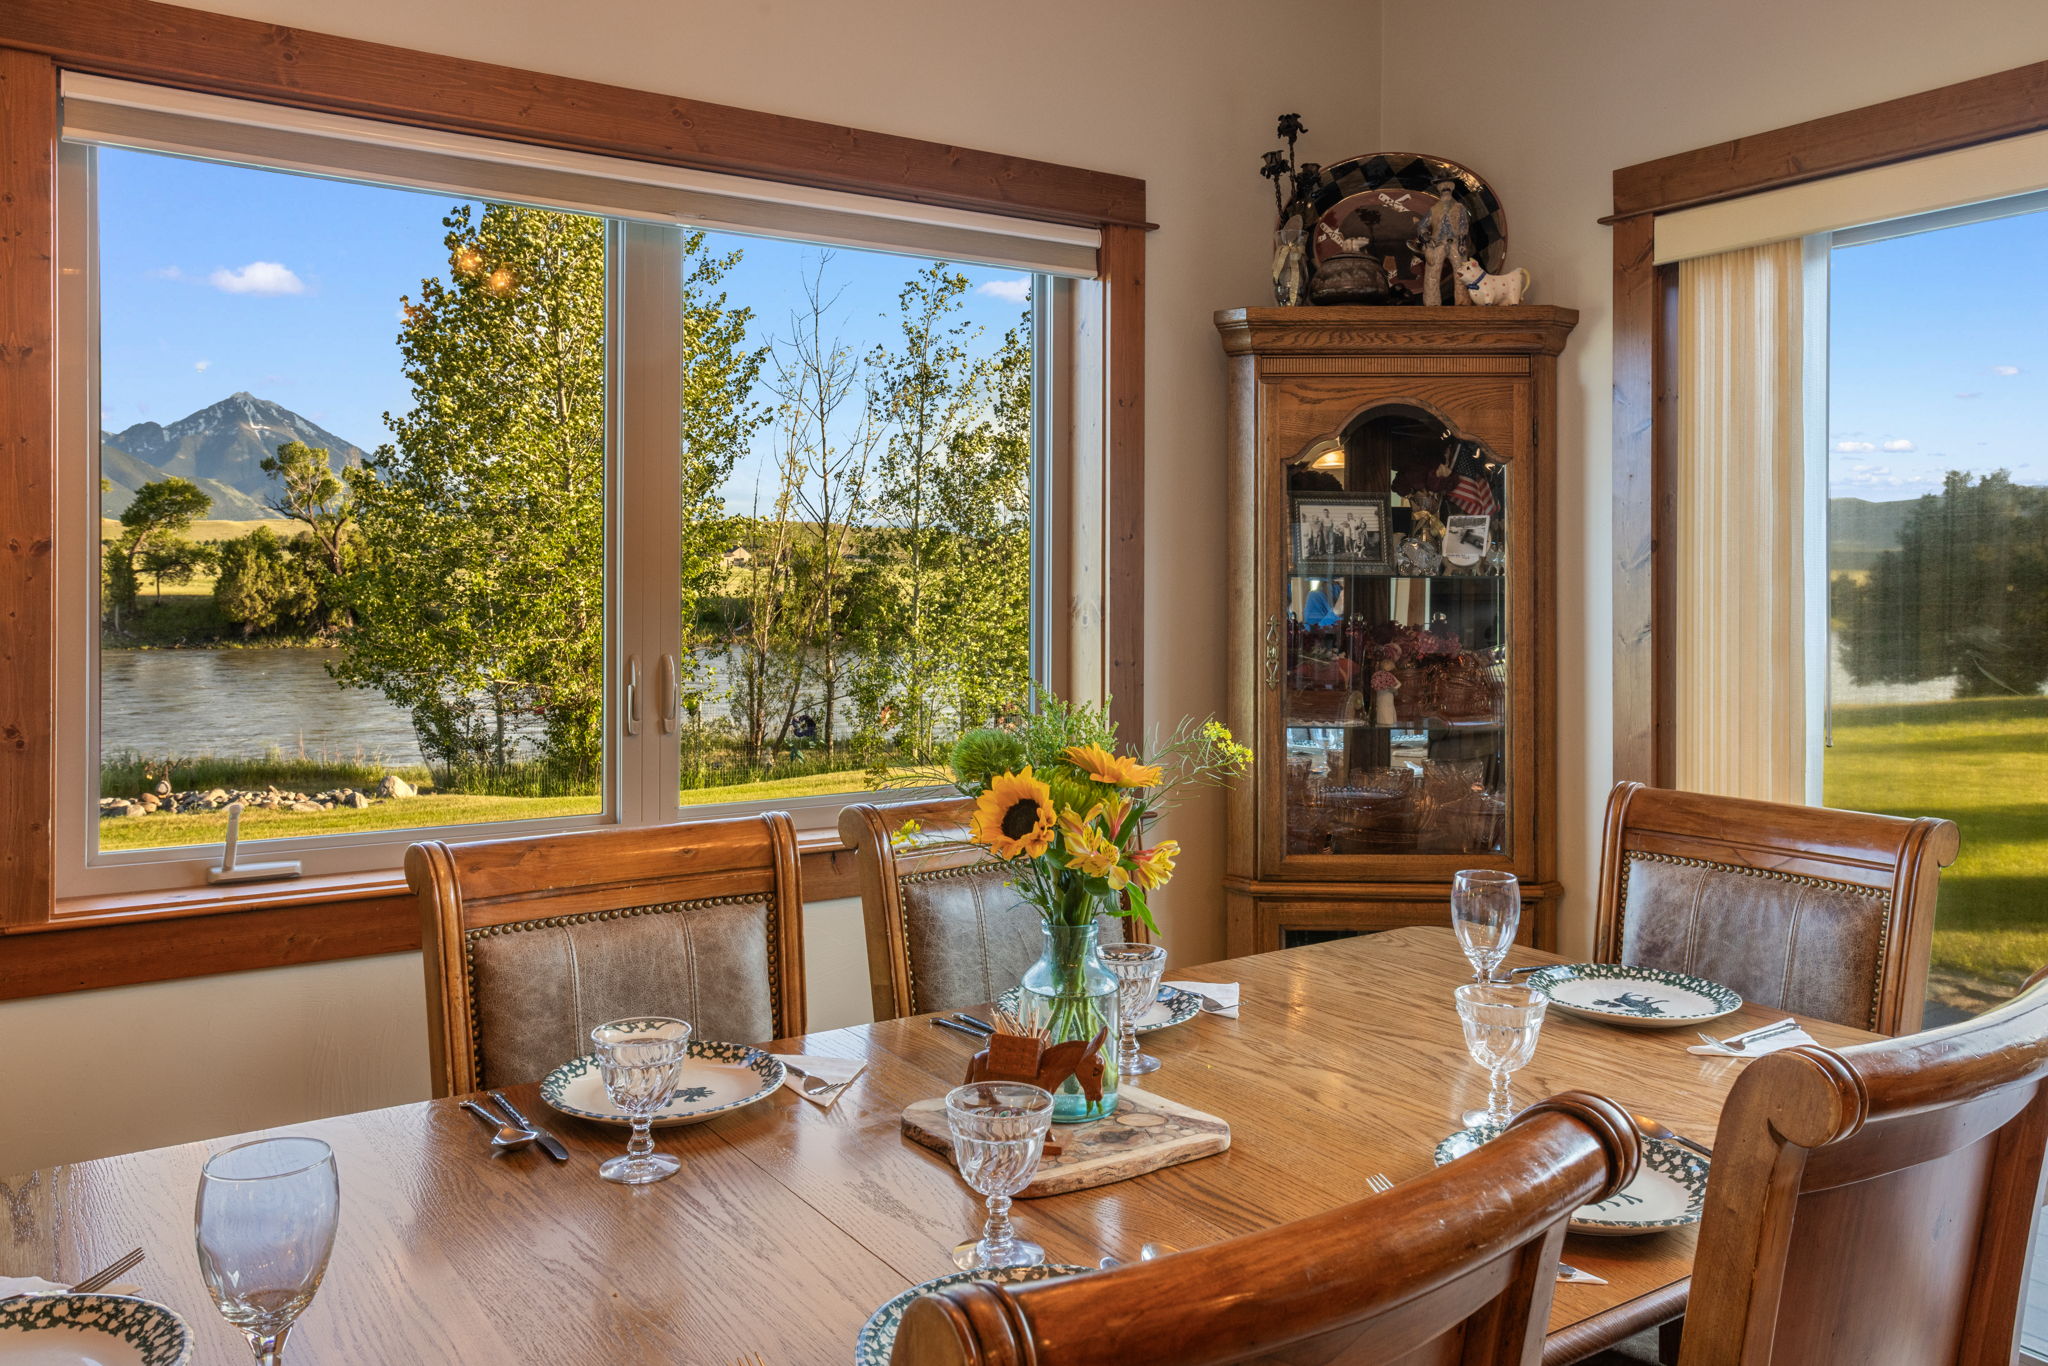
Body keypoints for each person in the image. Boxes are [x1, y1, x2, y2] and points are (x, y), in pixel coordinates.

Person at [1415, 174, 1471, 307]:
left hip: (1456, 243)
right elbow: (1421, 226)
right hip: (1438, 244)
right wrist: (1427, 240)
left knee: (1461, 273)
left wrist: (1462, 242)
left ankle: (1462, 303)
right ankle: (1432, 304)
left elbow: (1463, 226)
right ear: (1438, 188)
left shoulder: (1459, 207)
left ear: (1452, 187)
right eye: (1442, 185)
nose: (1445, 187)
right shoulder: (1434, 209)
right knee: (1432, 274)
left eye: (1448, 184)